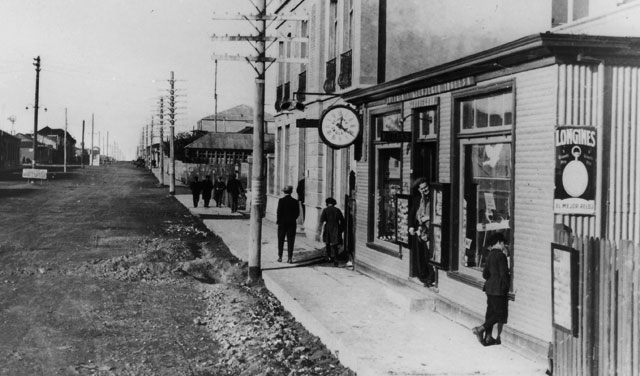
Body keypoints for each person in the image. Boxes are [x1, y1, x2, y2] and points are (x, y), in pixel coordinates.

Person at [472, 232, 510, 346]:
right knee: (499, 314)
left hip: (489, 288)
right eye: (503, 244)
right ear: (499, 242)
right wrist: (508, 286)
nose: (504, 246)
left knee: (490, 312)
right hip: (498, 289)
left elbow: (485, 275)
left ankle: (488, 337)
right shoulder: (501, 256)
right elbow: (504, 275)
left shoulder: (489, 255)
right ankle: (480, 329)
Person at [408, 178, 436, 287]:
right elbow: (412, 214)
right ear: (419, 190)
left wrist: (428, 218)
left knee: (430, 254)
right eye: (422, 189)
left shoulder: (433, 197)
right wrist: (411, 227)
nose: (425, 190)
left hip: (430, 231)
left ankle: (431, 277)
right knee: (422, 254)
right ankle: (423, 276)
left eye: (426, 187)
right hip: (420, 231)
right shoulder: (418, 199)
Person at [276, 185, 300, 263]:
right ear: (291, 192)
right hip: (292, 223)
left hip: (282, 223)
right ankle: (290, 258)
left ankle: (280, 257)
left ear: (284, 192)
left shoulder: (281, 200)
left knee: (281, 239)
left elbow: (279, 212)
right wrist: (292, 219)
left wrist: (279, 221)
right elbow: (297, 213)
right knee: (291, 240)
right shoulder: (295, 201)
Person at [318, 197, 345, 267]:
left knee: (328, 243)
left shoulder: (325, 210)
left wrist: (319, 230)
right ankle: (336, 259)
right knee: (335, 244)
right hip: (336, 228)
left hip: (328, 228)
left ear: (327, 203)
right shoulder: (337, 210)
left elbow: (321, 221)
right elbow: (342, 221)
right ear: (334, 203)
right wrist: (341, 230)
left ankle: (329, 257)